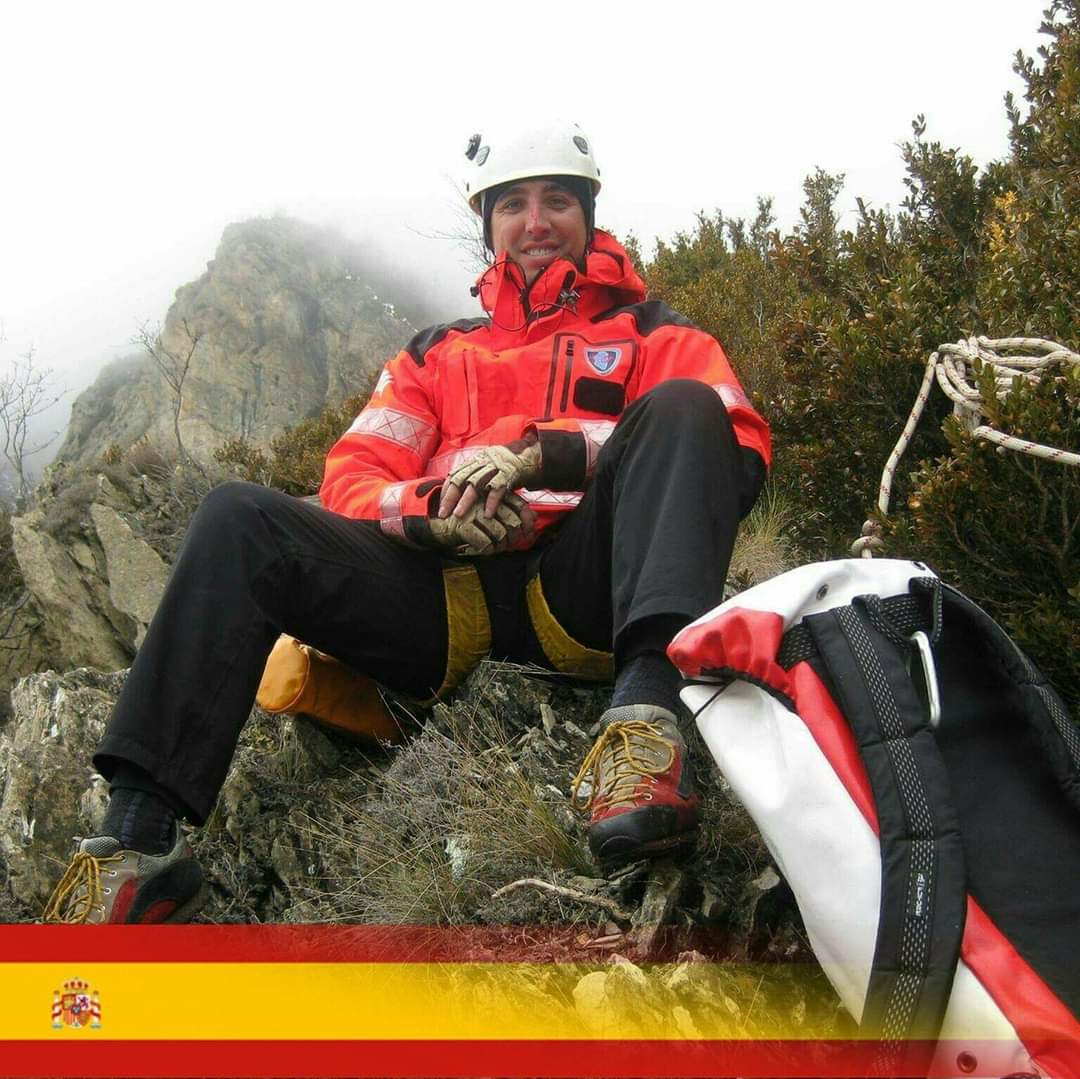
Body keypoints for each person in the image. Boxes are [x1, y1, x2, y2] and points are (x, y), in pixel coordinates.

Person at [42, 121, 771, 924]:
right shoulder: (433, 354)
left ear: (588, 215)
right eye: (513, 205)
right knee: (237, 517)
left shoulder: (656, 332)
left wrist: (544, 457)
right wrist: (430, 514)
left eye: (557, 201)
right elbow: (351, 476)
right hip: (440, 603)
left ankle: (646, 725)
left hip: (581, 590)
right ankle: (139, 844)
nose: (535, 222)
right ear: (488, 224)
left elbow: (735, 447)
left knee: (686, 405)